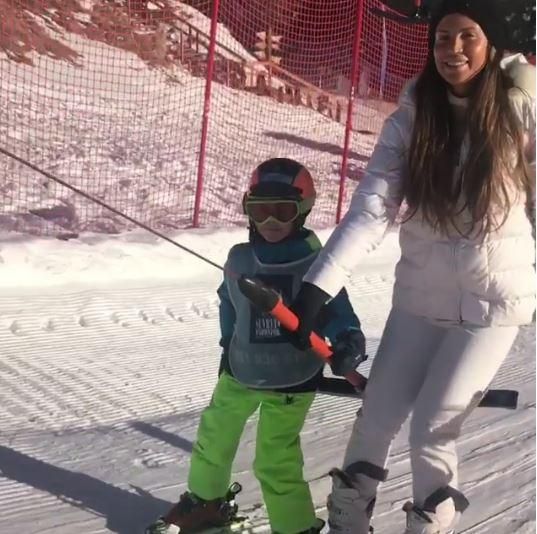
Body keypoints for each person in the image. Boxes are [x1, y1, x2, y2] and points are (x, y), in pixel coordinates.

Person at [286, 1, 536, 533]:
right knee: (374, 418)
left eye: (467, 36)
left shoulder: (521, 110)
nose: (453, 49)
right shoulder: (413, 116)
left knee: (431, 429)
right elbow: (372, 210)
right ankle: (348, 524)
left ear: (490, 43)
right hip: (420, 301)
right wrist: (317, 287)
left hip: (492, 306)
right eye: (443, 37)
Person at [146, 158, 366, 534]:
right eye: (261, 211)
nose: (271, 222)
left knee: (274, 457)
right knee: (214, 435)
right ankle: (207, 503)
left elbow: (336, 309)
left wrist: (348, 340)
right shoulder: (240, 258)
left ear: (303, 211)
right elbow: (228, 301)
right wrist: (226, 345)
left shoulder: (316, 264)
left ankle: (295, 527)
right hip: (241, 370)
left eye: (283, 211)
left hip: (292, 379)